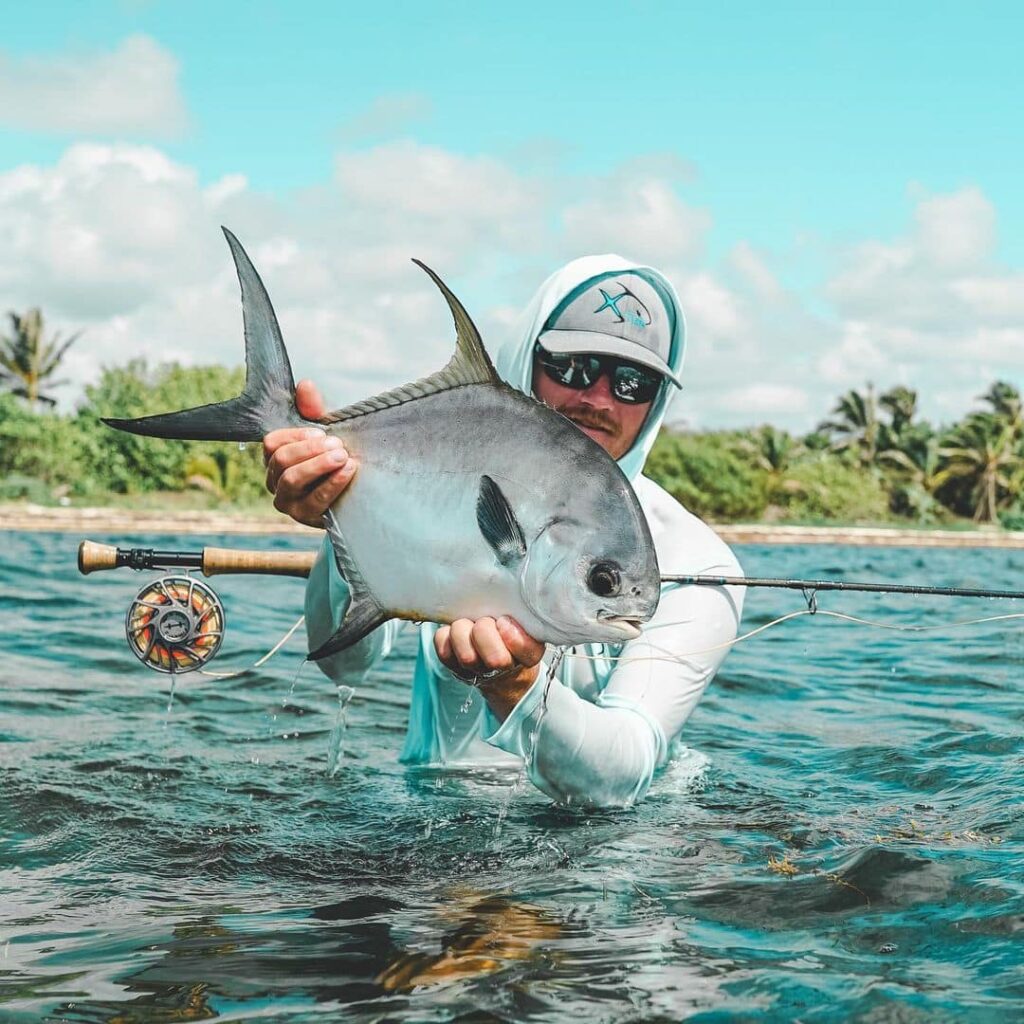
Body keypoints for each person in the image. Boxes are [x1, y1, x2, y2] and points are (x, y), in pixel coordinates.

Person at [263, 255, 744, 808]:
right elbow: (344, 664)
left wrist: (513, 686)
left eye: (634, 382)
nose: (597, 398)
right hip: (427, 821)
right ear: (526, 356)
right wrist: (338, 509)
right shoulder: (433, 468)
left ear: (658, 401)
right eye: (572, 366)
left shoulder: (700, 560)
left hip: (605, 848)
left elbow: (620, 776)